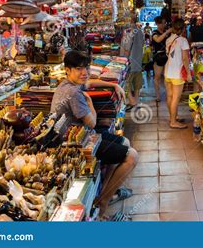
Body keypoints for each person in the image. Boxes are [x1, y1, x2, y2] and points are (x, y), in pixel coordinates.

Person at [50, 50, 138, 221]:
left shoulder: (66, 85)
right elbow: (92, 123)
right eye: (78, 69)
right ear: (67, 70)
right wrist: (90, 103)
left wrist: (114, 85)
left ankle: (106, 191)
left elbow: (89, 83)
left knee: (125, 142)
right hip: (78, 146)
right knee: (132, 157)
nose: (84, 73)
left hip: (83, 137)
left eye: (86, 68)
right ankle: (103, 201)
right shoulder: (74, 93)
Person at [164, 20, 192, 129]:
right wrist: (189, 73)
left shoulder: (169, 39)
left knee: (170, 96)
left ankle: (173, 117)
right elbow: (185, 59)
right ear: (183, 29)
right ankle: (173, 121)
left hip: (168, 71)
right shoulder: (183, 40)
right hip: (177, 72)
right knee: (176, 98)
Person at [124, 18, 145, 111]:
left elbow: (127, 48)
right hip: (138, 60)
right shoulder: (140, 32)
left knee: (126, 82)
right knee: (137, 82)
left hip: (131, 61)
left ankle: (132, 101)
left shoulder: (129, 32)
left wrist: (124, 60)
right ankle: (136, 100)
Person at [151, 16, 172, 102]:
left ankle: (168, 94)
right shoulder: (154, 32)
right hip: (159, 57)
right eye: (161, 23)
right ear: (157, 23)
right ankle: (158, 95)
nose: (163, 25)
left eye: (164, 23)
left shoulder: (166, 33)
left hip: (168, 56)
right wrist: (167, 32)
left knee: (167, 77)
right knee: (157, 77)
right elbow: (158, 40)